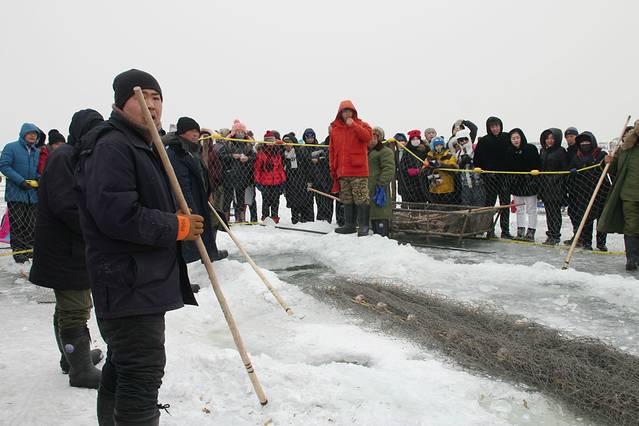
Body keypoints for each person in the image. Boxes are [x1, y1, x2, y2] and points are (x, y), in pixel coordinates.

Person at [75, 69, 202, 425]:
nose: (151, 104)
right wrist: (176, 226)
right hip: (127, 281)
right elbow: (117, 214)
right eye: (141, 96)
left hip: (139, 280)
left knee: (123, 366)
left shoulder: (142, 144)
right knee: (142, 374)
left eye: (156, 97)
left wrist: (178, 215)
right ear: (120, 103)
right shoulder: (113, 145)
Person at [29, 109, 105, 389]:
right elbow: (67, 206)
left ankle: (71, 358)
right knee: (75, 308)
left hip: (71, 247)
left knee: (67, 307)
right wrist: (98, 228)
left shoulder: (78, 157)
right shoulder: (65, 157)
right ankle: (81, 370)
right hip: (65, 249)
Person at [165, 116, 228, 264]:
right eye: (191, 131)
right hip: (188, 198)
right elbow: (181, 183)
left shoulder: (191, 149)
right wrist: (188, 205)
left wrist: (208, 192)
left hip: (199, 195)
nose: (195, 134)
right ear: (182, 132)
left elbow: (201, 173)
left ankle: (209, 253)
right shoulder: (177, 151)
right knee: (192, 228)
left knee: (207, 224)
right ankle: (192, 257)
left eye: (196, 131)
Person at [599, 119, 639, 270]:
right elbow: (613, 168)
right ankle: (632, 259)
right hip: (629, 195)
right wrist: (607, 162)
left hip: (629, 194)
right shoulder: (625, 149)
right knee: (631, 227)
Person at [329, 100, 373, 236]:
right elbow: (332, 150)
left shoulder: (362, 125)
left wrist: (353, 125)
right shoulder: (335, 130)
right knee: (346, 198)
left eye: (349, 111)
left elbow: (367, 138)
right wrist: (333, 167)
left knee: (361, 198)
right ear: (340, 113)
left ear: (354, 113)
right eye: (344, 111)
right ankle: (350, 225)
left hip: (358, 170)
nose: (347, 113)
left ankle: (364, 226)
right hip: (342, 172)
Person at [0, 123, 42, 263]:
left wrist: (40, 179)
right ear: (23, 134)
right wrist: (20, 181)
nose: (33, 136)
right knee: (17, 224)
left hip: (32, 194)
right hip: (16, 193)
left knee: (31, 224)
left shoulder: (36, 151)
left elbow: (36, 171)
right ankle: (18, 254)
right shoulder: (11, 147)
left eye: (35, 134)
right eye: (30, 133)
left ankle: (29, 251)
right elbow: (4, 166)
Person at [567, 131, 609, 251]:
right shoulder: (577, 156)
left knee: (601, 219)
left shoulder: (601, 154)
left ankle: (601, 243)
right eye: (582, 142)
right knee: (586, 219)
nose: (585, 144)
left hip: (600, 191)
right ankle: (587, 242)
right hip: (583, 192)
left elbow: (607, 168)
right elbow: (571, 170)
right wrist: (573, 172)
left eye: (587, 142)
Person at [474, 116, 512, 238]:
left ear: (500, 126)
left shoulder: (507, 137)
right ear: (489, 128)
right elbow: (477, 160)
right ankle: (489, 230)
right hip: (490, 179)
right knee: (489, 204)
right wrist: (484, 173)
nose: (495, 128)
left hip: (505, 178)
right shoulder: (484, 141)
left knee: (505, 205)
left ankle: (505, 231)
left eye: (497, 126)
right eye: (492, 126)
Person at [506, 128, 540, 241]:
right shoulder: (510, 151)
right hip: (516, 184)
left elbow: (537, 164)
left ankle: (531, 232)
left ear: (522, 137)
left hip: (530, 183)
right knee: (519, 209)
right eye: (513, 138)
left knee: (531, 209)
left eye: (517, 138)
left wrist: (535, 180)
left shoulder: (530, 148)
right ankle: (520, 232)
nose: (516, 140)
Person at [219, 119, 255, 222]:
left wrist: (247, 158)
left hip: (242, 175)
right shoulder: (228, 143)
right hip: (229, 175)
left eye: (242, 132)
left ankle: (240, 218)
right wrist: (232, 156)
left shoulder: (248, 145)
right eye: (238, 131)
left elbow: (254, 157)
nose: (240, 134)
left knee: (241, 198)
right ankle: (225, 219)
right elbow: (221, 156)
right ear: (234, 132)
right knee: (227, 198)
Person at [539, 128, 568, 245]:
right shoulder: (543, 151)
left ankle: (555, 235)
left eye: (552, 138)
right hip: (545, 186)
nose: (549, 140)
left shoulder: (561, 151)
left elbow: (564, 169)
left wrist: (557, 180)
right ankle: (550, 234)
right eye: (547, 138)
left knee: (555, 212)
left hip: (556, 186)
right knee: (549, 212)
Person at [368, 127, 395, 236]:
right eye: (371, 135)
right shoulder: (367, 151)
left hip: (378, 187)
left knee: (380, 211)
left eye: (376, 136)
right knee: (373, 213)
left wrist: (381, 183)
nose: (373, 138)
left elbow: (389, 169)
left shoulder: (384, 151)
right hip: (368, 187)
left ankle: (382, 236)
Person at [255, 131, 286, 223]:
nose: (269, 143)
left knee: (276, 200)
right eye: (267, 140)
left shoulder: (277, 153)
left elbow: (280, 168)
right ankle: (265, 217)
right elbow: (257, 168)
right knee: (266, 200)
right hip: (265, 181)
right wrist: (257, 181)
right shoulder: (261, 153)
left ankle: (275, 217)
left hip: (276, 180)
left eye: (271, 140)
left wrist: (283, 180)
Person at [283, 133, 313, 224]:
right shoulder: (283, 155)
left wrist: (310, 181)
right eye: (285, 142)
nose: (287, 144)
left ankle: (307, 220)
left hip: (303, 180)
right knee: (293, 202)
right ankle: (295, 220)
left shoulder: (301, 152)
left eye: (289, 142)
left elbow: (308, 167)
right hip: (290, 182)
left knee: (306, 201)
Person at [448, 128, 484, 206]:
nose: (464, 142)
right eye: (461, 140)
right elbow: (455, 165)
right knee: (466, 205)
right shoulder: (458, 154)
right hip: (465, 184)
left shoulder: (475, 150)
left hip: (477, 183)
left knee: (479, 206)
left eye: (465, 139)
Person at [307, 128, 333, 222]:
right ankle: (320, 220)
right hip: (319, 177)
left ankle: (328, 220)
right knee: (320, 201)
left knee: (329, 201)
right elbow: (315, 158)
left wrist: (320, 160)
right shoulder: (322, 145)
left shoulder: (340, 142)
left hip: (331, 177)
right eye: (330, 131)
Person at [424, 136, 458, 204]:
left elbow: (454, 168)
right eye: (436, 145)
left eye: (441, 145)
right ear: (433, 147)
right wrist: (429, 167)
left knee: (447, 206)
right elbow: (423, 169)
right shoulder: (429, 157)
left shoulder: (449, 156)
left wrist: (441, 165)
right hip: (434, 188)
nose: (439, 147)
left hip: (447, 188)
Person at [398, 130, 428, 204]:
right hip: (410, 181)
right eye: (413, 139)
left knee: (423, 199)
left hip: (423, 179)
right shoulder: (407, 150)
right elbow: (402, 164)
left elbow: (429, 160)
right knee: (412, 201)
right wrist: (408, 170)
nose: (415, 140)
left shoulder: (425, 149)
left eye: (417, 138)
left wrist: (423, 170)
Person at [563, 126, 580, 243]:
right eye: (567, 137)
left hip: (581, 185)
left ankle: (582, 237)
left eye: (572, 136)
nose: (570, 139)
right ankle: (577, 234)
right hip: (571, 185)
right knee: (572, 211)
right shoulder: (567, 151)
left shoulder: (580, 150)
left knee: (580, 212)